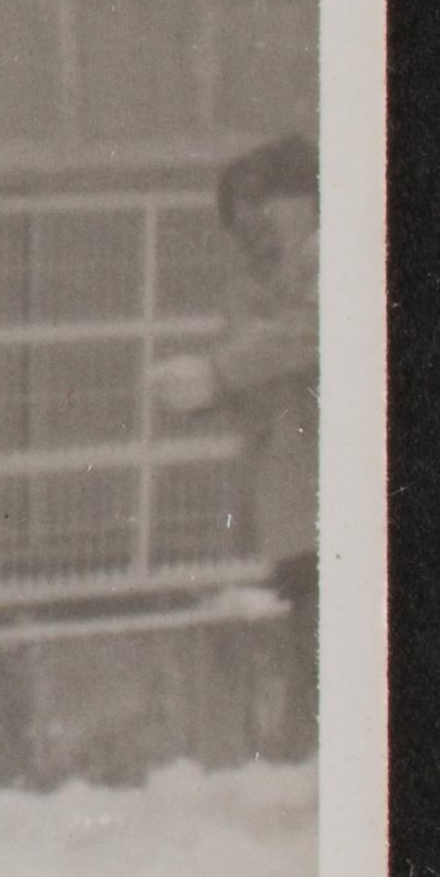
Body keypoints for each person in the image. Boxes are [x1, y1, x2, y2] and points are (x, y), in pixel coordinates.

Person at [149, 133, 319, 759]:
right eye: (238, 214)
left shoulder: (335, 255)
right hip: (294, 501)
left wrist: (218, 374)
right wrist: (201, 392)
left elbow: (312, 331)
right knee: (315, 635)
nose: (250, 224)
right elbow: (252, 368)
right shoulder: (252, 285)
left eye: (263, 204)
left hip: (340, 493)